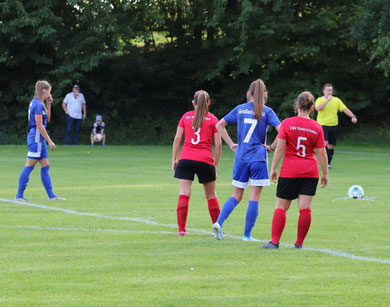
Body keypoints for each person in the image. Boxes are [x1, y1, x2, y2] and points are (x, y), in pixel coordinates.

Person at [212, 79, 281, 241]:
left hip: (241, 158)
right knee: (254, 197)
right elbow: (282, 129)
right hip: (258, 158)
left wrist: (230, 144)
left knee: (236, 195)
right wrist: (271, 147)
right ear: (265, 94)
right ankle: (246, 235)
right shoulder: (267, 111)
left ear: (248, 94)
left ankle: (219, 223)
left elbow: (219, 125)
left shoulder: (240, 109)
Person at [260, 91, 328, 249]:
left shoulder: (287, 123)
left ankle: (275, 242)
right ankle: (299, 243)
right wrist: (325, 173)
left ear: (297, 105)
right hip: (310, 172)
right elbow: (322, 152)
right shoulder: (316, 127)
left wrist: (273, 168)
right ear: (312, 108)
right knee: (305, 209)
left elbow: (280, 148)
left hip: (290, 171)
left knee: (281, 207)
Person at [172, 90, 222, 236]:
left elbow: (177, 139)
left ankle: (181, 230)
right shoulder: (213, 120)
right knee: (211, 195)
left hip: (186, 158)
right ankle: (218, 229)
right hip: (205, 160)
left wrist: (174, 159)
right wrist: (215, 165)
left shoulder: (186, 117)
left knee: (184, 193)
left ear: (193, 103)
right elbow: (218, 144)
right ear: (208, 103)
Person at [16, 81, 65, 201]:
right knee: (29, 165)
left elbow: (46, 120)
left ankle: (51, 195)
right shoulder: (37, 104)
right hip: (37, 137)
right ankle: (19, 195)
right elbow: (39, 125)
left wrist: (49, 104)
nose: (50, 93)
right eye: (49, 90)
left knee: (45, 165)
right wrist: (50, 140)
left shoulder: (39, 103)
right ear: (44, 91)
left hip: (40, 138)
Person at [315, 83, 357, 168]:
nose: (330, 92)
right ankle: (324, 162)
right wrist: (327, 101)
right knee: (325, 143)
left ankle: (328, 164)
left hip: (334, 126)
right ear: (324, 91)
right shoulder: (320, 99)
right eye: (328, 90)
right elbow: (318, 108)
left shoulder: (337, 100)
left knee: (331, 146)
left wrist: (353, 116)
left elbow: (345, 109)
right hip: (323, 125)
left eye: (331, 90)